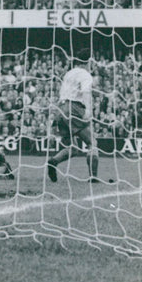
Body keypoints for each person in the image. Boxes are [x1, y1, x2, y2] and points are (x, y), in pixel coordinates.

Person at [47, 48, 100, 183]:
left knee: (73, 147)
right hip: (74, 108)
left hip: (61, 109)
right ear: (88, 61)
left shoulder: (69, 73)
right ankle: (93, 177)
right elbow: (86, 92)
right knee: (92, 142)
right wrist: (88, 109)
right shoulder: (85, 74)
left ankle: (53, 161)